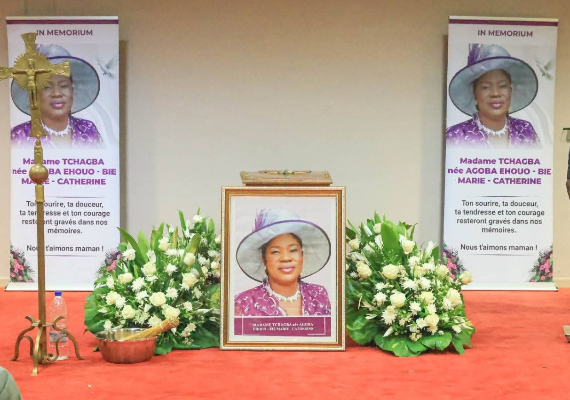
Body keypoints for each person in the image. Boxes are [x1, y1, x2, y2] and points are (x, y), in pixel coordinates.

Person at [234, 209, 332, 316]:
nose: (285, 258)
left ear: (302, 255)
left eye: (293, 250)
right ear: (264, 259)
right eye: (275, 252)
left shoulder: (320, 295)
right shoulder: (243, 303)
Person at [447, 43, 539, 148]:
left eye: (502, 86)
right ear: (474, 93)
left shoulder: (527, 131)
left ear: (510, 91)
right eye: (486, 87)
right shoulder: (455, 137)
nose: (495, 93)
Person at [10, 44, 103, 148]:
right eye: (47, 87)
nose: (57, 93)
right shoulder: (19, 136)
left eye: (64, 86)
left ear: (72, 90)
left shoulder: (89, 130)